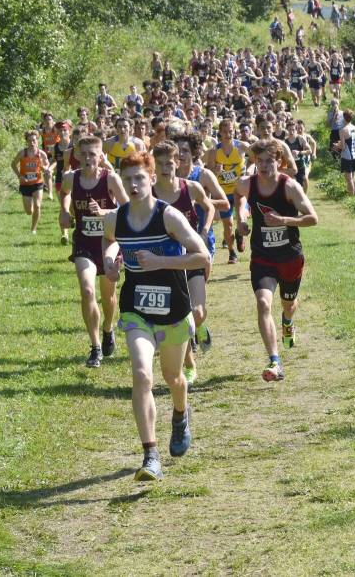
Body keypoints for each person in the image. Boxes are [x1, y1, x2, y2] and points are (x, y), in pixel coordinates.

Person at [102, 151, 211, 482]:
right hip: (136, 308)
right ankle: (150, 455)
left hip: (173, 307)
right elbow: (108, 243)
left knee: (173, 377)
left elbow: (201, 256)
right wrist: (110, 261)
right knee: (141, 373)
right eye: (127, 179)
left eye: (139, 178)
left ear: (151, 179)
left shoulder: (169, 217)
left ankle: (180, 414)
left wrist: (160, 261)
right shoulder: (115, 218)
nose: (133, 185)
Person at [234, 139, 318, 382]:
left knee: (288, 305)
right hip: (263, 257)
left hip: (290, 256)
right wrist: (241, 218)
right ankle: (275, 361)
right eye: (259, 161)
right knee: (263, 303)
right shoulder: (247, 184)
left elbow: (313, 218)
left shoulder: (289, 186)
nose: (263, 166)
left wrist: (284, 220)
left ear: (279, 162)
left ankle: (288, 321)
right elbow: (238, 196)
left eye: (269, 161)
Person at [60, 136, 130, 367]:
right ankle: (95, 346)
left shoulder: (111, 178)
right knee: (88, 290)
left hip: (108, 242)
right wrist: (64, 211)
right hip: (84, 244)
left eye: (94, 154)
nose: (89, 158)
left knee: (108, 297)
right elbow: (65, 193)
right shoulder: (71, 177)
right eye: (85, 154)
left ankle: (108, 329)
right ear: (78, 155)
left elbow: (128, 209)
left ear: (101, 156)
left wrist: (104, 212)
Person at [152, 142, 216, 386]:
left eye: (170, 163)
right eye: (160, 164)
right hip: (166, 263)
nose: (166, 168)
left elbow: (208, 206)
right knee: (178, 319)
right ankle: (189, 364)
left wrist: (204, 231)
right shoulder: (150, 194)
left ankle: (199, 326)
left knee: (197, 312)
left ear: (177, 162)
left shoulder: (191, 188)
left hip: (191, 257)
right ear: (154, 166)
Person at [206, 119, 250, 265]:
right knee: (228, 224)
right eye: (225, 132)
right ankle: (232, 253)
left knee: (242, 218)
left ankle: (239, 233)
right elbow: (209, 171)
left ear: (234, 131)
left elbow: (256, 159)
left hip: (239, 190)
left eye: (230, 131)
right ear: (220, 133)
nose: (228, 134)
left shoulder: (242, 147)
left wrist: (248, 171)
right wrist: (215, 171)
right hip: (223, 193)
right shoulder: (214, 151)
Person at [11, 130, 49, 234]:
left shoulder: (41, 154)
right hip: (25, 184)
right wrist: (19, 176)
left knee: (37, 206)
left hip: (37, 183)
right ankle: (32, 211)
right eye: (29, 141)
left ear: (37, 141)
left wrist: (45, 168)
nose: (32, 143)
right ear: (27, 142)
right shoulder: (22, 153)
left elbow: (47, 164)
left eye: (34, 140)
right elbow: (13, 164)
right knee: (29, 211)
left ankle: (33, 229)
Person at [334, 109, 355, 196]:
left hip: (347, 157)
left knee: (349, 179)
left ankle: (351, 197)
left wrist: (337, 145)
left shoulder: (343, 130)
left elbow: (343, 147)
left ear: (344, 118)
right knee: (353, 177)